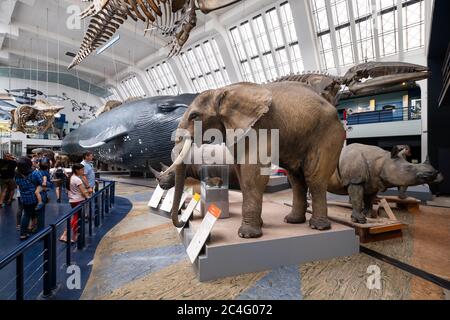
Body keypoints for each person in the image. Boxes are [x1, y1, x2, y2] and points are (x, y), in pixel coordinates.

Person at [15, 157, 47, 240]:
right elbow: (42, 184)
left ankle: (23, 234)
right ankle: (40, 235)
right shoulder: (35, 173)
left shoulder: (17, 174)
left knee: (26, 215)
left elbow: (18, 184)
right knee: (40, 216)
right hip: (36, 198)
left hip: (25, 198)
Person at [59, 164, 90, 243]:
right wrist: (88, 193)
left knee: (75, 218)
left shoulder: (71, 177)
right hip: (78, 200)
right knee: (75, 219)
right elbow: (83, 192)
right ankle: (65, 235)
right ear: (77, 170)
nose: (83, 171)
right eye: (82, 170)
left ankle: (74, 235)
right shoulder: (77, 180)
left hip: (73, 200)